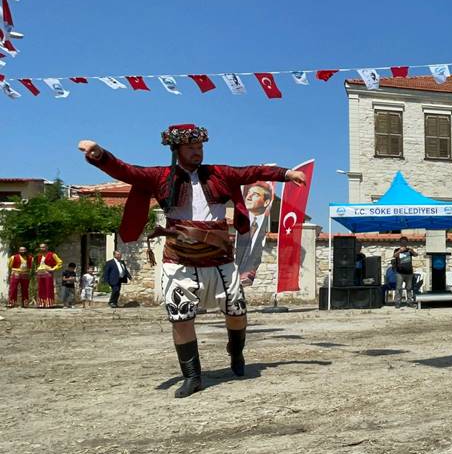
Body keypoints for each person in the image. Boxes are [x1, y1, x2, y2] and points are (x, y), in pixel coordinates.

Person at [77, 124, 306, 398]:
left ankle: (236, 351)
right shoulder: (160, 176)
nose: (197, 153)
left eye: (200, 148)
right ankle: (193, 376)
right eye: (191, 148)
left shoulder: (219, 173)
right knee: (181, 317)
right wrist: (99, 154)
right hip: (179, 260)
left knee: (237, 313)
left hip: (220, 258)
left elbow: (253, 171)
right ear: (176, 150)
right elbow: (126, 171)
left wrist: (286, 173)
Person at [235, 181, 274, 286]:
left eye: (255, 195)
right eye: (248, 193)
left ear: (266, 202)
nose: (248, 197)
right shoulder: (240, 222)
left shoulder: (264, 225)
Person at [34, 243, 62, 309]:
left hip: (48, 273)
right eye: (41, 247)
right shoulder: (39, 256)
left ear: (47, 247)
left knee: (48, 288)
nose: (42, 249)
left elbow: (60, 262)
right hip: (40, 273)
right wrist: (37, 270)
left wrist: (53, 269)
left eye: (43, 247)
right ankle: (41, 303)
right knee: (41, 289)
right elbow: (40, 264)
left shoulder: (52, 254)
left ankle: (49, 303)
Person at [392, 236, 418, 308]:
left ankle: (409, 302)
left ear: (407, 242)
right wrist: (400, 251)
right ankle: (397, 303)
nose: (403, 243)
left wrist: (412, 251)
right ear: (400, 243)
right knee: (399, 288)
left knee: (409, 288)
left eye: (405, 242)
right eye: (402, 242)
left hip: (409, 272)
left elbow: (416, 255)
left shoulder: (409, 250)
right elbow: (394, 256)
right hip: (400, 273)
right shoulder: (397, 249)